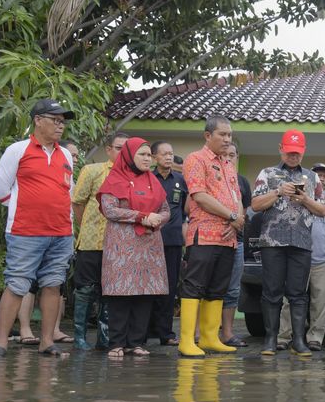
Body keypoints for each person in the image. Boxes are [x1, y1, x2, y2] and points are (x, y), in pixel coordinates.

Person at [0, 99, 76, 357]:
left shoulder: (66, 154)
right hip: (25, 231)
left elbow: (67, 190)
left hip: (61, 232)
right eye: (55, 120)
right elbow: (1, 190)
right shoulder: (18, 149)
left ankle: (46, 342)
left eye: (63, 122)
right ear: (38, 120)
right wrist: (26, 209)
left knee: (53, 285)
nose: (60, 126)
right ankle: (1, 343)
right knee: (17, 284)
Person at [251, 129, 325, 356]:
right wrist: (277, 192)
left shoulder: (313, 178)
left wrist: (305, 199)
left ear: (303, 152)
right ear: (281, 149)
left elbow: (323, 210)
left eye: (297, 153)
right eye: (289, 152)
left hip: (301, 242)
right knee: (272, 292)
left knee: (298, 294)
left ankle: (299, 341)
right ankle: (271, 340)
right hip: (272, 242)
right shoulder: (267, 173)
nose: (293, 156)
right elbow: (255, 205)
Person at [97, 137, 170, 358]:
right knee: (121, 294)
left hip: (149, 245)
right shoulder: (114, 179)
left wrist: (158, 219)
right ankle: (116, 343)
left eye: (149, 155)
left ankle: (136, 343)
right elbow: (109, 209)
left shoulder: (153, 181)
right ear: (129, 156)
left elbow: (166, 209)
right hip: (122, 246)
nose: (148, 159)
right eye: (143, 154)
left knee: (144, 294)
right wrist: (142, 216)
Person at [178, 115, 244, 358]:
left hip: (227, 237)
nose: (227, 139)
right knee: (194, 286)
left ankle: (209, 337)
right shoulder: (196, 159)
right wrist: (231, 216)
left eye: (229, 135)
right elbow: (199, 195)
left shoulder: (228, 163)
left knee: (218, 288)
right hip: (203, 235)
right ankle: (186, 340)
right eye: (222, 134)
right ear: (208, 136)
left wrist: (237, 221)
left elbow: (237, 197)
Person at [71, 132, 128, 350]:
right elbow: (77, 202)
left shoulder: (131, 176)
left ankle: (104, 338)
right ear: (109, 150)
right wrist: (86, 227)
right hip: (91, 242)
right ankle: (79, 337)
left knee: (109, 292)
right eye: (119, 148)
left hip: (118, 246)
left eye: (126, 148)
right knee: (85, 290)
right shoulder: (92, 171)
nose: (123, 153)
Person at [277, 163, 325, 352]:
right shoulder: (293, 199)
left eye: (324, 177)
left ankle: (315, 338)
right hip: (297, 255)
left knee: (321, 301)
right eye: (317, 175)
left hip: (324, 257)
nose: (321, 179)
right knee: (290, 299)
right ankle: (284, 336)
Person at [148, 141, 188, 346]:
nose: (168, 157)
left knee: (169, 287)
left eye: (171, 153)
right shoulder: (147, 178)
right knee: (148, 286)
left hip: (173, 240)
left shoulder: (180, 180)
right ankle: (145, 331)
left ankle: (166, 333)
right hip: (148, 240)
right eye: (164, 154)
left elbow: (184, 209)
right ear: (154, 157)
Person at [220, 143, 251, 347]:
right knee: (209, 288)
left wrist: (236, 225)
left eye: (233, 155)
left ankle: (228, 334)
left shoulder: (242, 182)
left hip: (236, 241)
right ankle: (202, 333)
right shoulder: (212, 176)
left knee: (232, 290)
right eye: (225, 155)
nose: (229, 158)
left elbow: (245, 210)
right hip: (213, 239)